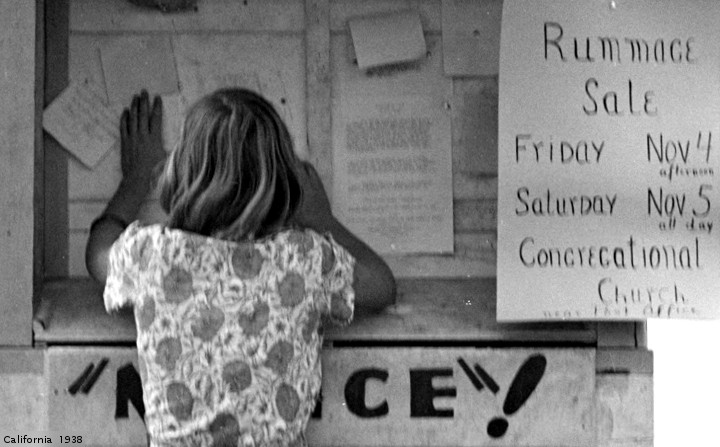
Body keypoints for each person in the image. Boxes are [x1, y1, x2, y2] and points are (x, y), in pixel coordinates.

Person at [86, 89, 396, 446]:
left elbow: (97, 254)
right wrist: (322, 218)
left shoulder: (151, 255)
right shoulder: (304, 258)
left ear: (181, 169)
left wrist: (137, 178)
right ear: (283, 176)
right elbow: (382, 285)